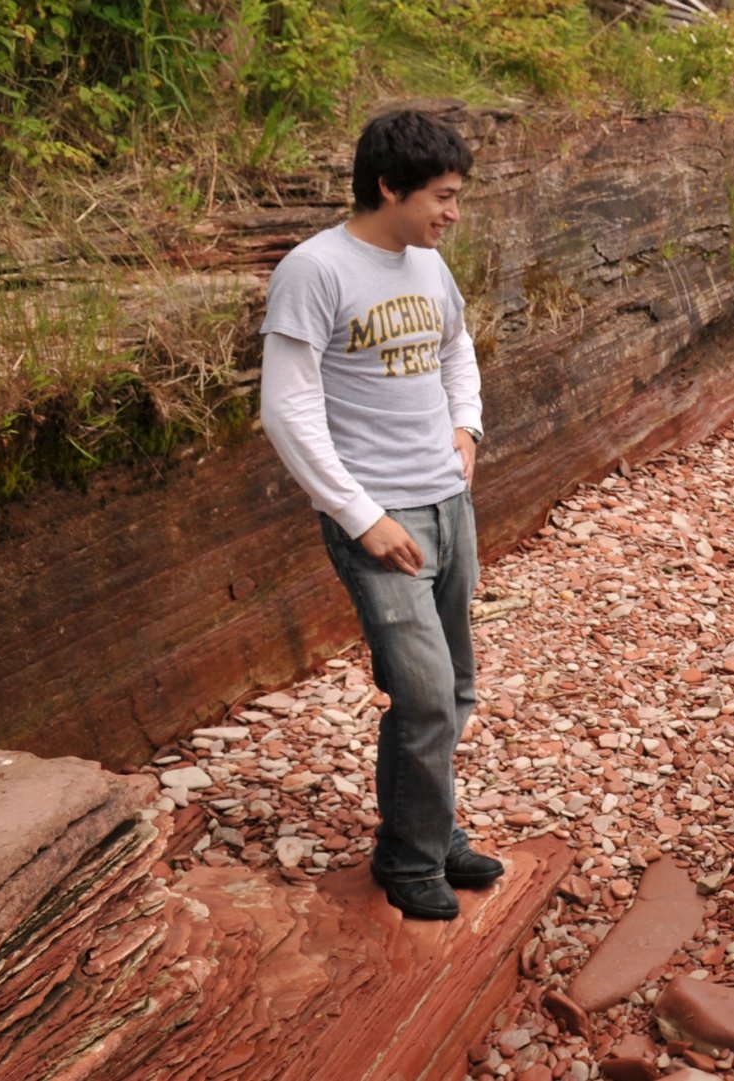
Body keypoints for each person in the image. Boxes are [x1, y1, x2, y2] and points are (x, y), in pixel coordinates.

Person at [259, 108, 498, 920]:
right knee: (425, 694)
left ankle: (429, 832)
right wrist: (361, 516)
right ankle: (406, 860)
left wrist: (465, 425)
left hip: (446, 498)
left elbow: (455, 347)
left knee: (455, 685)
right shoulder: (315, 270)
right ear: (389, 186)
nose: (452, 213)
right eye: (442, 195)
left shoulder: (427, 265)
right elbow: (287, 409)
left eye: (457, 196)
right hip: (381, 516)